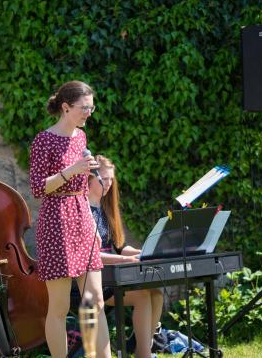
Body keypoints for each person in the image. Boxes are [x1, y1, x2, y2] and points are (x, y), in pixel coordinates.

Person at [29, 81, 111, 358]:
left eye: (92, 107)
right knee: (60, 307)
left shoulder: (81, 137)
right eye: (84, 107)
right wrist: (71, 170)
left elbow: (84, 187)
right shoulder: (44, 140)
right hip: (56, 221)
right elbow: (39, 188)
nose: (89, 112)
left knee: (95, 300)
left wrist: (91, 222)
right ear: (66, 107)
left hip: (81, 215)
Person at [89, 155, 164, 358]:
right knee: (142, 296)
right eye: (104, 179)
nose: (109, 184)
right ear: (89, 179)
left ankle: (142, 348)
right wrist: (126, 261)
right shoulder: (83, 210)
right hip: (92, 281)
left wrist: (146, 253)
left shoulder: (106, 208)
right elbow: (91, 254)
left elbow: (120, 248)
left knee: (156, 292)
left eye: (111, 179)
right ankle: (144, 354)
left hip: (110, 275)